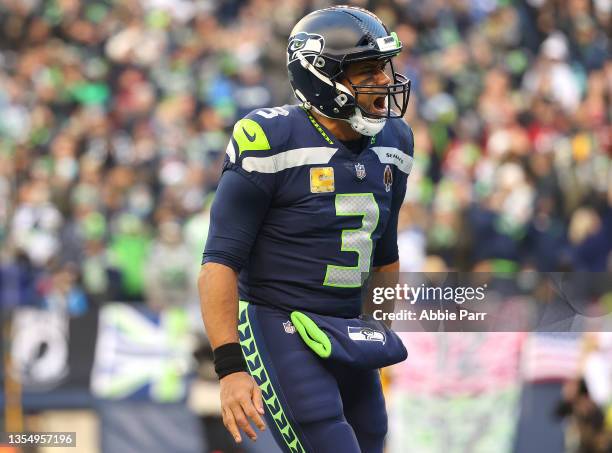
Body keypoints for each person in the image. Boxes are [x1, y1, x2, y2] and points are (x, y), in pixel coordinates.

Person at [198, 6, 414, 453]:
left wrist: (375, 331)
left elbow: (385, 255)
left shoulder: (395, 141)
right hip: (282, 322)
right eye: (366, 70)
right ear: (322, 76)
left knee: (372, 440)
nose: (382, 81)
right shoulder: (270, 137)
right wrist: (231, 367)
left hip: (348, 326)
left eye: (383, 66)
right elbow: (219, 261)